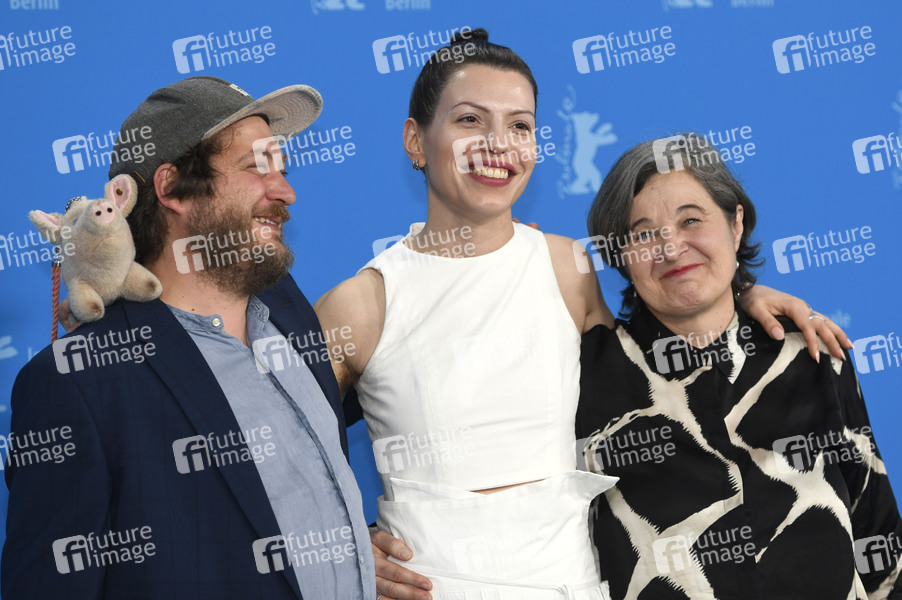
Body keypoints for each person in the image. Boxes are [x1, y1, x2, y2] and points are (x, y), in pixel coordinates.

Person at [318, 32, 851, 600]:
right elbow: (281, 458)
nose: (497, 145)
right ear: (415, 140)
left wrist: (737, 296)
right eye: (470, 120)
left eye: (520, 125)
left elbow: (650, 364)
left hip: (572, 583)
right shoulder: (364, 303)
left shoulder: (566, 268)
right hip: (433, 584)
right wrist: (343, 543)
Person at [3, 76, 375, 599]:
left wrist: (354, 549)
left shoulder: (288, 307)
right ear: (172, 188)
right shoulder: (78, 384)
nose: (285, 192)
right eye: (256, 168)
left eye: (283, 170)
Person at [575, 133, 902, 598]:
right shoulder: (583, 377)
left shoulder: (811, 352)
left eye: (691, 220)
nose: (671, 248)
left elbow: (880, 539)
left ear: (735, 224)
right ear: (622, 258)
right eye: (643, 234)